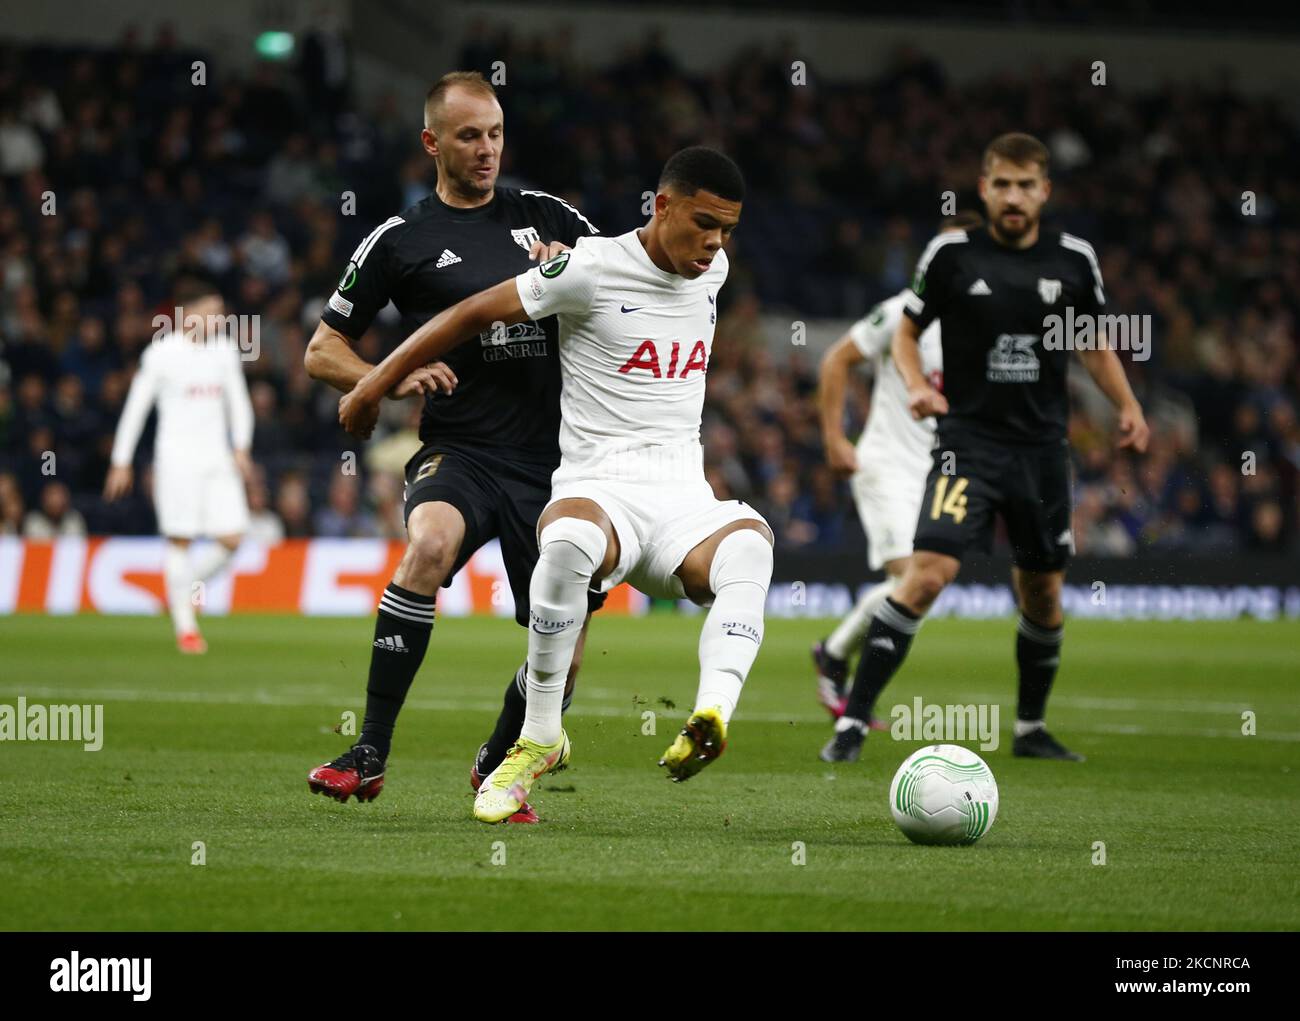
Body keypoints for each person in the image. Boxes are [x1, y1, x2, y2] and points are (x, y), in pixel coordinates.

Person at [337, 146, 774, 824]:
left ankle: (711, 714)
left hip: (683, 497)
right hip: (597, 486)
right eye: (704, 222)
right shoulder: (588, 270)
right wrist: (374, 382)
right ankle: (536, 737)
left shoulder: (710, 268)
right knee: (566, 540)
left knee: (753, 547)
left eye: (729, 229)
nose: (716, 242)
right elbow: (469, 315)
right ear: (662, 206)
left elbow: (689, 265)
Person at [303, 71, 602, 822]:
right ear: (433, 142)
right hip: (461, 451)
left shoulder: (549, 217)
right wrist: (385, 376)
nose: (487, 149)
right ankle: (367, 752)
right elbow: (320, 350)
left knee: (563, 644)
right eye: (469, 136)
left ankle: (499, 763)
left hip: (559, 462)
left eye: (496, 133)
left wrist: (580, 272)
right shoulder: (400, 239)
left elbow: (628, 290)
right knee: (427, 546)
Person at [822, 132, 1150, 764]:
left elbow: (1092, 344)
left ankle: (1030, 729)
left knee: (1042, 592)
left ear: (1045, 191)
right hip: (965, 445)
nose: (1014, 197)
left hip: (1042, 454)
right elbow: (907, 332)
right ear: (984, 188)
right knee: (926, 577)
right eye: (1002, 185)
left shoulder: (1075, 260)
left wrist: (1129, 406)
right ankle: (853, 724)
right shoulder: (951, 256)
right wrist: (916, 385)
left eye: (1027, 186)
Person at [813, 211, 984, 720]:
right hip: (886, 465)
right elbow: (835, 360)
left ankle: (835, 654)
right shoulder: (901, 314)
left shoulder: (984, 330)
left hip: (939, 473)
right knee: (912, 575)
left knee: (927, 583)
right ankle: (835, 657)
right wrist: (835, 438)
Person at [104, 275, 254, 654]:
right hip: (176, 460)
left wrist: (241, 447)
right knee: (181, 540)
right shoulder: (161, 354)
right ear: (189, 316)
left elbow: (238, 403)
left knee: (234, 536)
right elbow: (135, 410)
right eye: (213, 313)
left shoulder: (224, 350)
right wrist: (121, 461)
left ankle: (180, 593)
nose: (220, 320)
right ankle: (186, 628)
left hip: (217, 459)